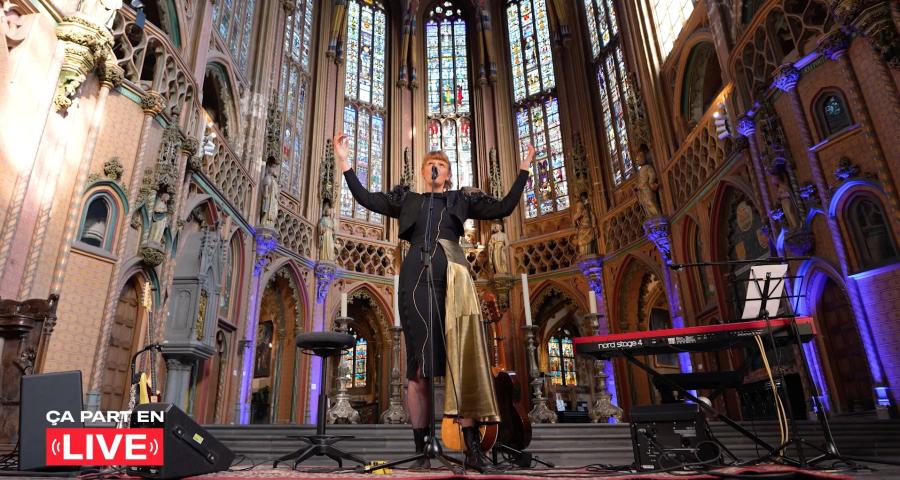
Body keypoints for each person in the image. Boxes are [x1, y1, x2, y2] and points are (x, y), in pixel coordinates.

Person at [335, 133, 534, 469]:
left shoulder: (461, 200)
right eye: (431, 165)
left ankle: (472, 448)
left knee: (461, 362)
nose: (435, 169)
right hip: (415, 279)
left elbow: (504, 207)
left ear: (449, 174)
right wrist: (345, 161)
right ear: (423, 172)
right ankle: (424, 448)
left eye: (441, 165)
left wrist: (525, 168)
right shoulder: (408, 200)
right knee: (418, 369)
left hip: (454, 280)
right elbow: (366, 199)